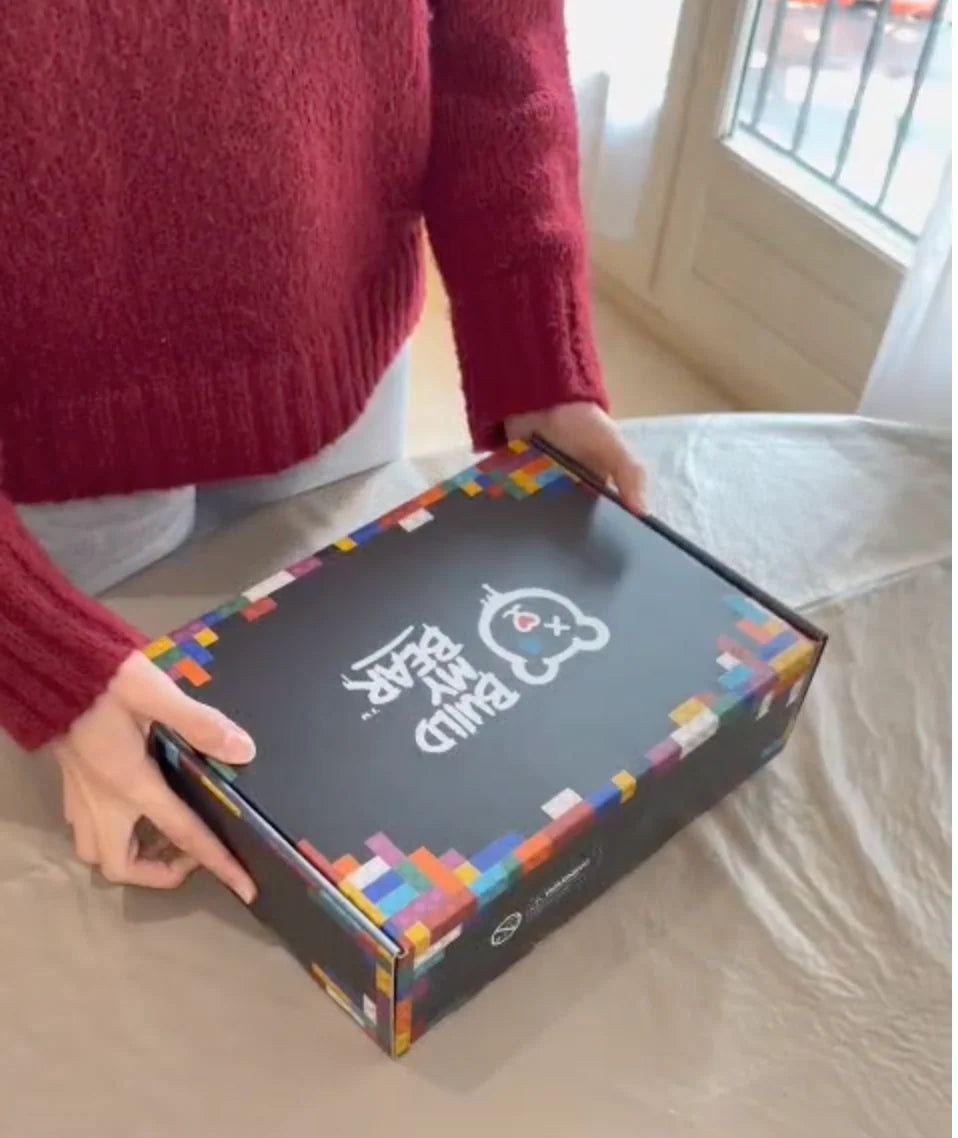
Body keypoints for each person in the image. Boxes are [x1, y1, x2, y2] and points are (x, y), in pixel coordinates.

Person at [0, 2, 646, 903]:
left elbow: (496, 27)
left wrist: (534, 340)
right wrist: (35, 645)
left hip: (338, 356)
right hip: (43, 462)